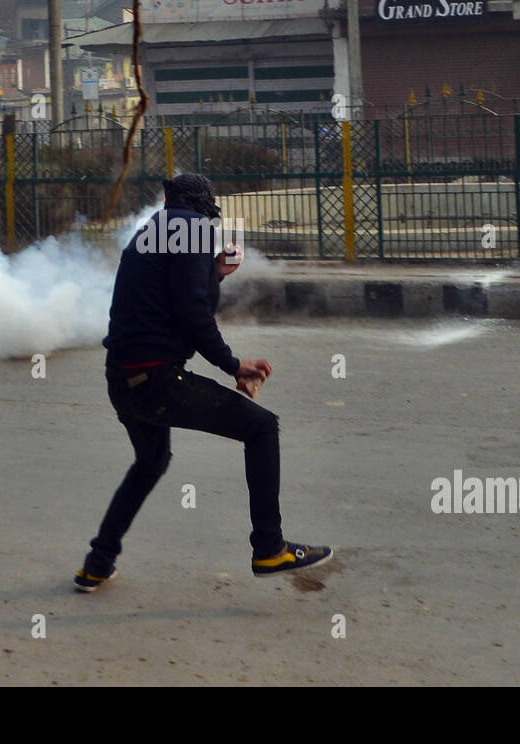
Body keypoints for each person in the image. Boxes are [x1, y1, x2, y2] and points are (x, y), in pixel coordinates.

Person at [75, 173, 332, 591]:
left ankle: (97, 563)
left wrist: (215, 272)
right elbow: (194, 312)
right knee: (262, 428)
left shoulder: (151, 231)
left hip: (122, 379)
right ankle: (270, 548)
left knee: (151, 461)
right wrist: (232, 365)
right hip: (157, 380)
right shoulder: (194, 229)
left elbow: (181, 295)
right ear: (204, 203)